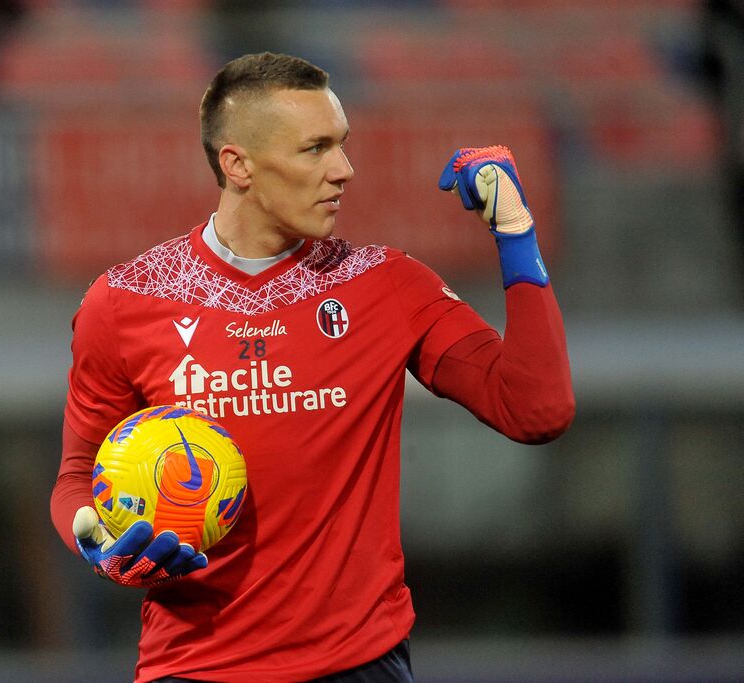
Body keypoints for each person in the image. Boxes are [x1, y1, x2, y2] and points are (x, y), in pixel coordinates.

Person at [51, 52, 574, 682]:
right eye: (314, 149)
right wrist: (96, 536)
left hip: (358, 664)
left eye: (342, 145)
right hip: (195, 666)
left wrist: (515, 234)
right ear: (237, 164)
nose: (344, 170)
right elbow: (78, 476)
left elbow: (535, 408)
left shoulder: (386, 287)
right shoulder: (124, 303)